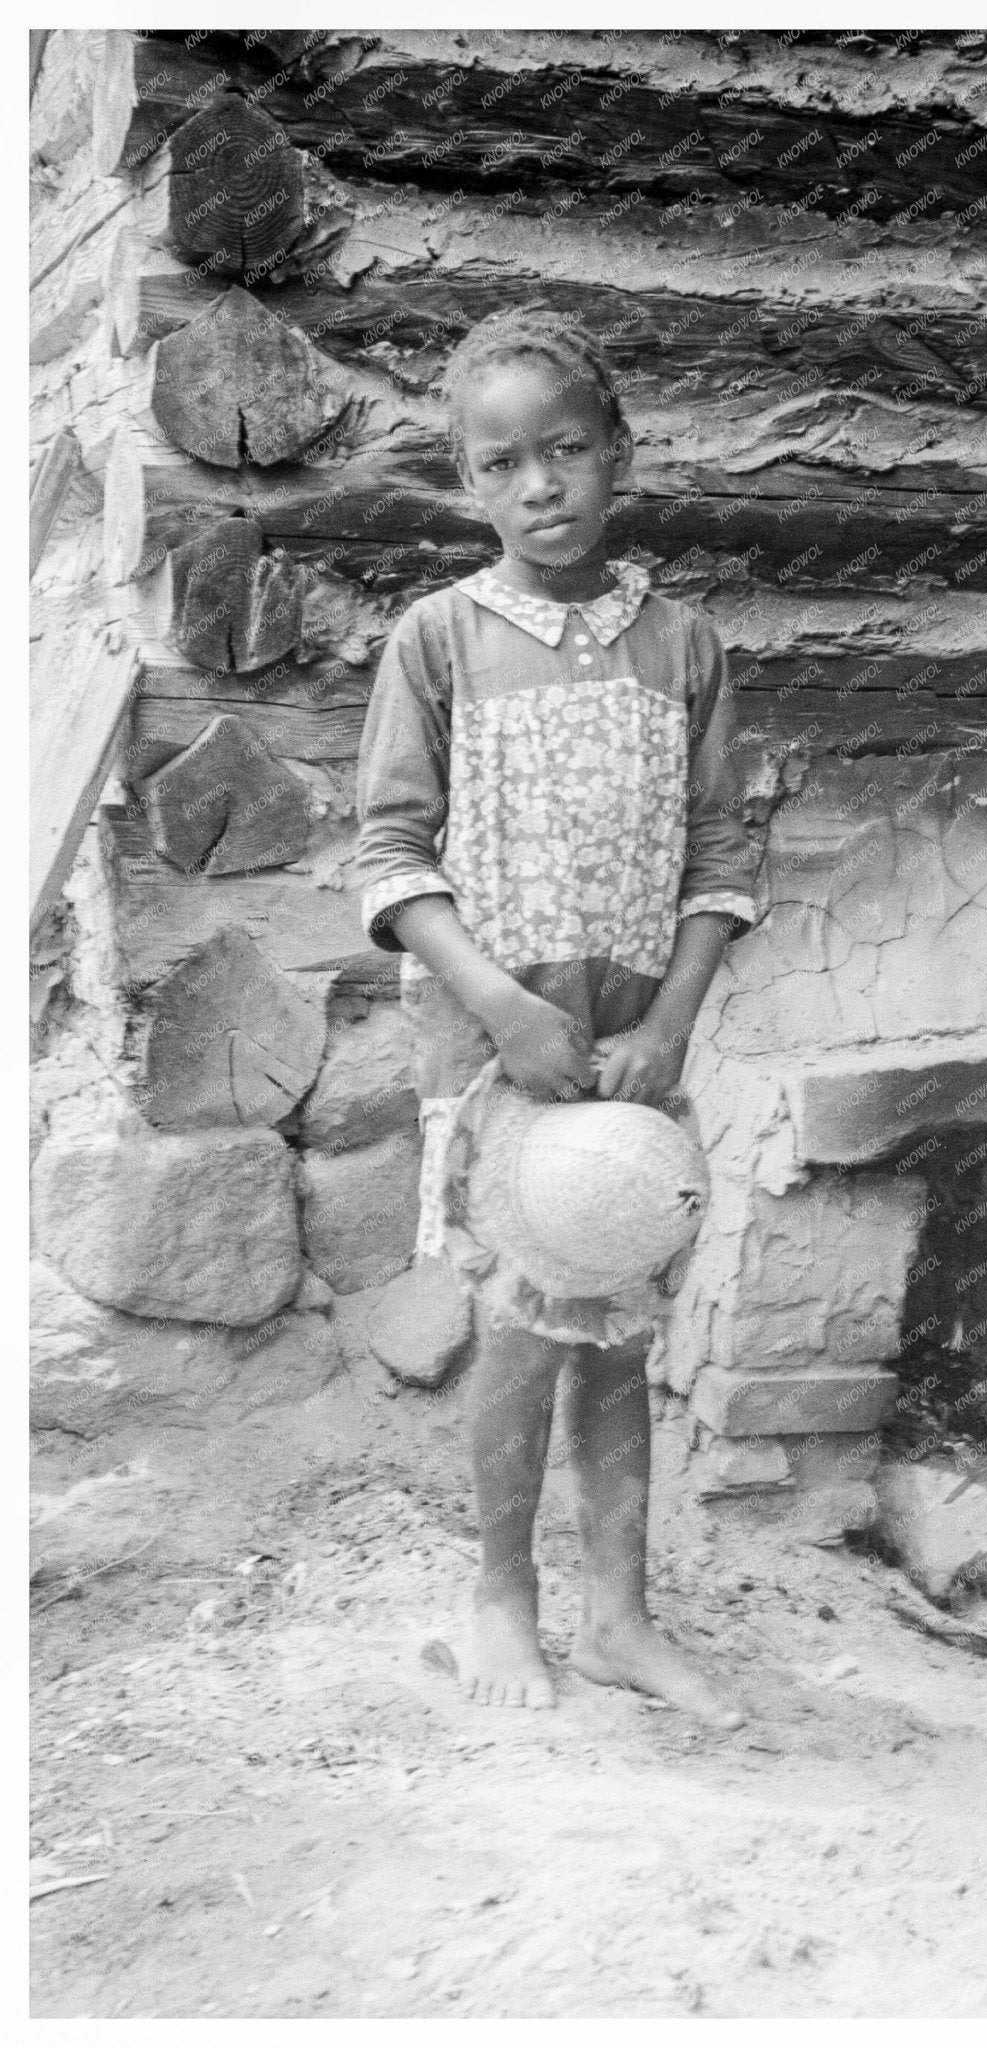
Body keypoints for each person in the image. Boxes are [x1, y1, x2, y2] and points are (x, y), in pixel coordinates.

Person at [355, 308, 757, 1721]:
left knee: (622, 1334)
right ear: (469, 484)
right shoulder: (439, 642)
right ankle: (500, 1602)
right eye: (502, 462)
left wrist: (675, 1025)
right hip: (505, 1057)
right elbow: (393, 859)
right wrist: (502, 1005)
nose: (541, 486)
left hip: (634, 1055)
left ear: (619, 455)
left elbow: (721, 864)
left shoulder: (687, 645)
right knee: (524, 1334)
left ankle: (624, 1618)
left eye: (568, 450)